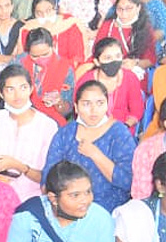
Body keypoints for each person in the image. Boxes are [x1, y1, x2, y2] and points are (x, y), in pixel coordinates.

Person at [42, 80, 135, 212]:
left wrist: (96, 155)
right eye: (86, 104)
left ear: (108, 105)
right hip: (69, 207)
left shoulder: (119, 133)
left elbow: (128, 182)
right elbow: (48, 176)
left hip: (108, 208)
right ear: (76, 106)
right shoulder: (66, 133)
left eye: (100, 103)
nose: (93, 110)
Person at [0, 64, 57, 203]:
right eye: (10, 89)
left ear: (31, 90)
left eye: (23, 88)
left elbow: (48, 178)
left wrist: (19, 166)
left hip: (32, 199)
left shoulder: (47, 126)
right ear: (1, 94)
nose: (17, 95)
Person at [75, 37, 146, 133]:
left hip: (122, 129)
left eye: (118, 56)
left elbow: (136, 111)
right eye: (108, 58)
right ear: (97, 62)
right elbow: (80, 111)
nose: (114, 61)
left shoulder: (130, 78)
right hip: (92, 129)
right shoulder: (86, 81)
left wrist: (124, 126)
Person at [20, 25, 75, 125]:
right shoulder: (19, 63)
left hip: (51, 120)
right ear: (28, 51)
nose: (41, 59)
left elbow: (67, 111)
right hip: (22, 115)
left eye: (45, 54)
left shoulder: (65, 68)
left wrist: (58, 102)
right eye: (35, 56)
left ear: (53, 45)